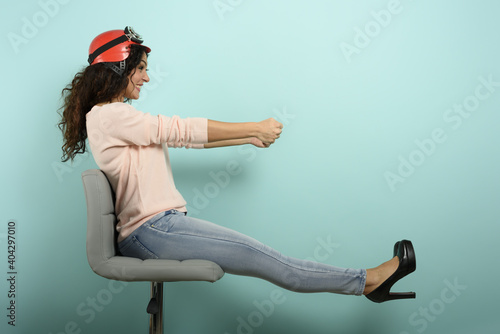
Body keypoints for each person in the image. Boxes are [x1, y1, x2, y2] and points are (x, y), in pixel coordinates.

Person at [58, 26, 416, 303]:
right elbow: (179, 129)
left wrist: (245, 138)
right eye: (140, 68)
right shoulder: (109, 116)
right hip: (152, 231)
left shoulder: (115, 118)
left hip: (160, 227)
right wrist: (253, 126)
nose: (146, 77)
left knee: (267, 258)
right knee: (269, 261)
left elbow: (178, 136)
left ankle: (366, 281)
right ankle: (367, 281)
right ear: (118, 68)